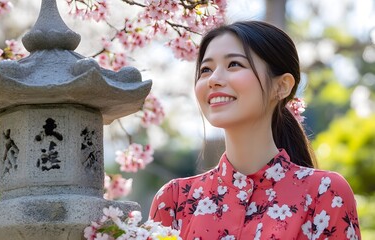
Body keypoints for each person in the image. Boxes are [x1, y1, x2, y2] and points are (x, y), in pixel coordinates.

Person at [149, 21, 360, 240]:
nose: (213, 80)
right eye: (205, 70)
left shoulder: (325, 192)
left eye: (234, 64)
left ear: (281, 86)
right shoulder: (174, 200)